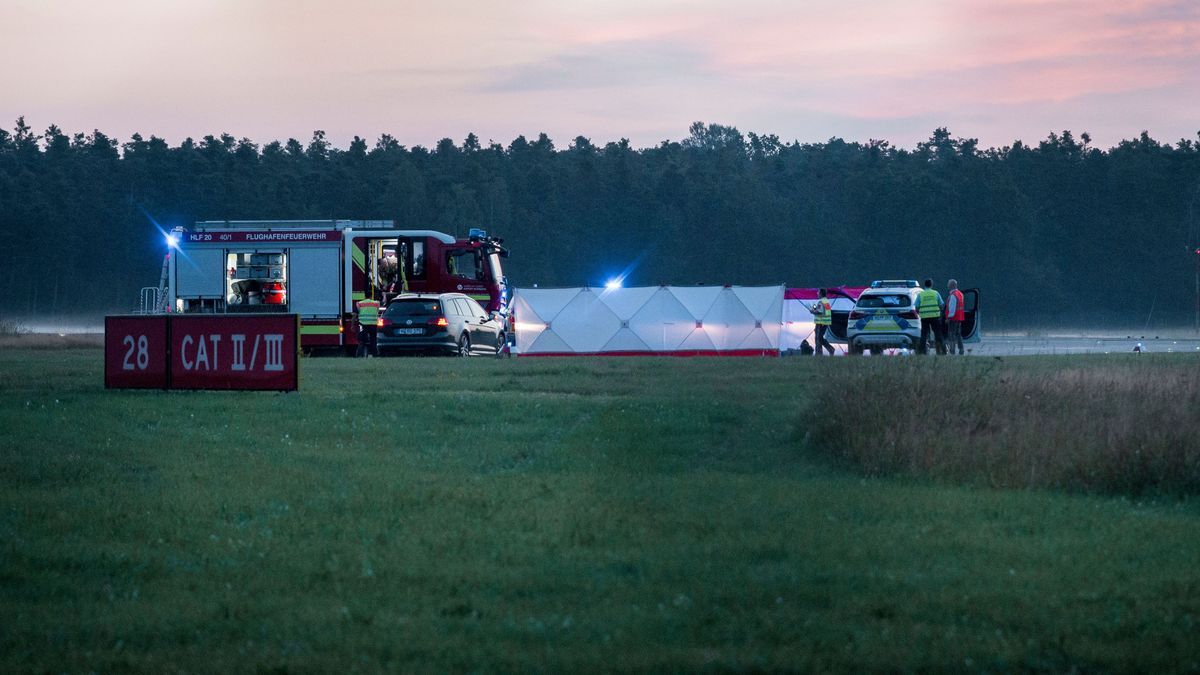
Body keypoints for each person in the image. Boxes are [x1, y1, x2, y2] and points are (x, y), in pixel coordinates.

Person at [916, 278, 945, 355]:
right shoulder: (936, 293)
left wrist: (919, 313)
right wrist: (941, 313)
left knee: (924, 335)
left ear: (924, 285)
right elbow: (942, 305)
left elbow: (917, 307)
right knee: (938, 334)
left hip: (924, 317)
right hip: (935, 317)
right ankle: (943, 351)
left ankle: (921, 352)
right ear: (931, 285)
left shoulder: (920, 294)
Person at [810, 288, 836, 356]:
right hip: (825, 322)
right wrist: (815, 308)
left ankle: (819, 353)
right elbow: (823, 310)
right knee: (820, 338)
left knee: (818, 338)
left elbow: (820, 311)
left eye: (818, 292)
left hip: (820, 323)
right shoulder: (826, 301)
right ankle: (829, 349)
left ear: (821, 293)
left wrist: (813, 311)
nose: (817, 293)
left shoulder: (821, 302)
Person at [944, 279, 965, 355]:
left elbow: (952, 309)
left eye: (948, 284)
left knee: (951, 335)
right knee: (959, 335)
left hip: (953, 319)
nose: (947, 286)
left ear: (952, 285)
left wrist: (948, 318)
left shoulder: (953, 295)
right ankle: (961, 349)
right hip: (959, 318)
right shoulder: (960, 294)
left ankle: (952, 351)